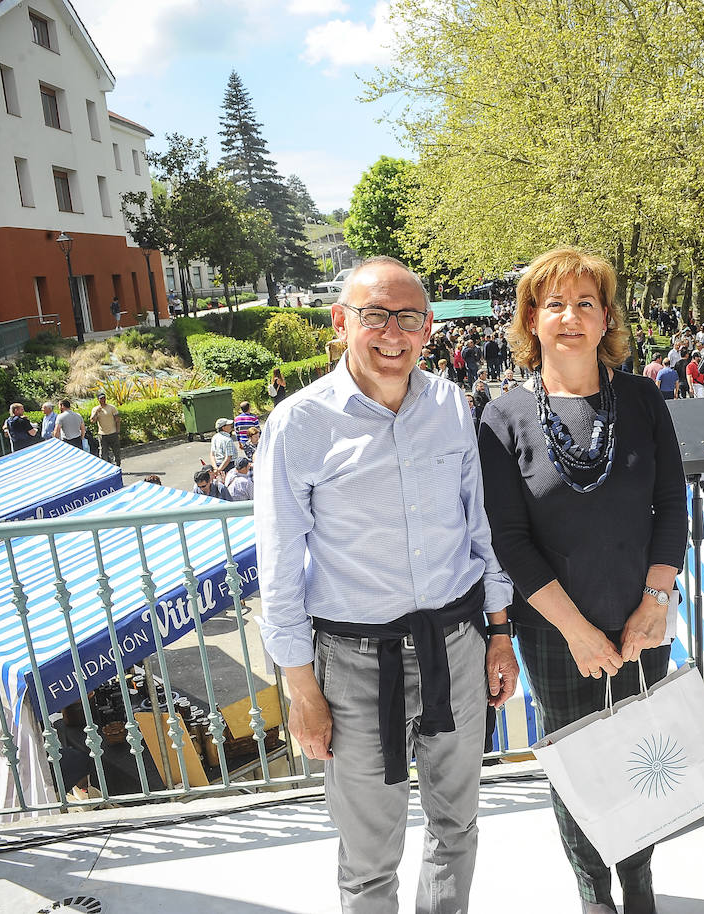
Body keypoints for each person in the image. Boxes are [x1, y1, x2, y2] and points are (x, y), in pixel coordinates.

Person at [254, 256, 518, 914]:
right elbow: (280, 566)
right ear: (342, 322)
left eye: (407, 318)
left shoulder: (453, 406)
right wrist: (301, 686)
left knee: (457, 828)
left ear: (428, 328)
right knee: (370, 857)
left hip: (455, 646)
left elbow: (477, 527)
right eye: (375, 315)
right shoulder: (300, 424)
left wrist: (500, 632)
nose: (392, 333)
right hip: (354, 665)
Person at [478, 247, 687, 914]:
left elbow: (671, 504)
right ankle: (594, 893)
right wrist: (576, 632)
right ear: (531, 320)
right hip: (554, 635)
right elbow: (508, 539)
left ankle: (642, 884)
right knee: (577, 770)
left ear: (606, 320)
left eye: (585, 303)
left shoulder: (643, 399)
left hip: (640, 621)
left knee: (641, 757)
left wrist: (655, 602)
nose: (570, 317)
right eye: (554, 304)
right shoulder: (502, 416)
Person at [89, 392, 122, 466]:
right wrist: (96, 412)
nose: (103, 400)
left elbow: (117, 419)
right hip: (102, 434)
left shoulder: (111, 407)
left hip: (113, 433)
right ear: (98, 399)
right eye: (101, 398)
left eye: (104, 398)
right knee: (103, 453)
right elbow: (92, 421)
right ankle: (106, 467)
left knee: (116, 452)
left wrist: (118, 431)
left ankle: (118, 465)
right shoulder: (95, 409)